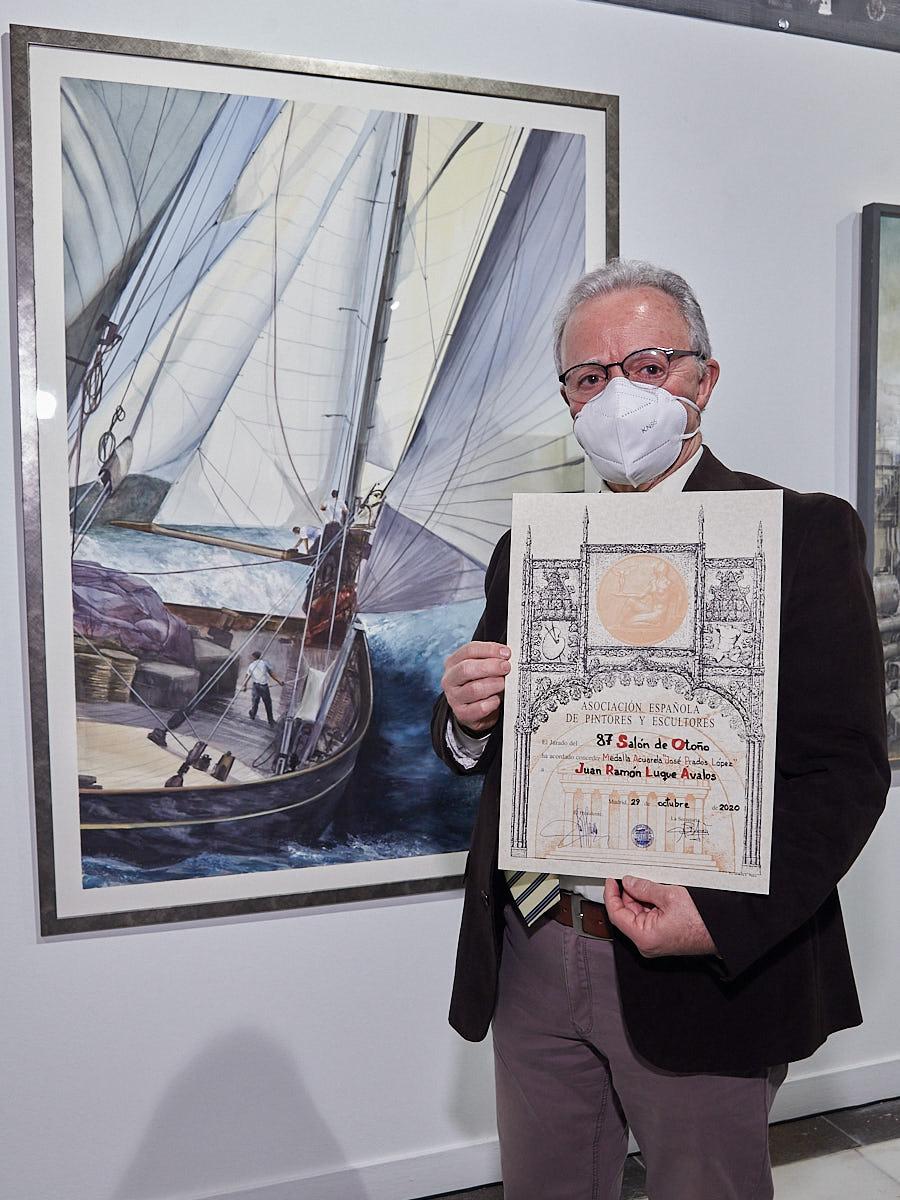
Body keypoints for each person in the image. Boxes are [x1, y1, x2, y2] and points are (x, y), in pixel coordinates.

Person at [431, 259, 889, 1200]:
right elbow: (480, 738)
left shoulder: (800, 534)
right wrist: (465, 717)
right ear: (568, 399)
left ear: (702, 379)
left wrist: (717, 920)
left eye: (646, 366)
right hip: (534, 942)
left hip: (703, 963)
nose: (617, 396)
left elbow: (846, 772)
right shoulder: (529, 549)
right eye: (588, 377)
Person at [241, 651, 283, 727]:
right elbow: (271, 674)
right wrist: (279, 681)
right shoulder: (265, 663)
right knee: (267, 703)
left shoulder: (251, 665)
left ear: (254, 657)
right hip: (263, 686)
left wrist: (244, 686)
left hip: (256, 686)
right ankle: (270, 720)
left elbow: (247, 676)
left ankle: (253, 714)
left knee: (255, 701)